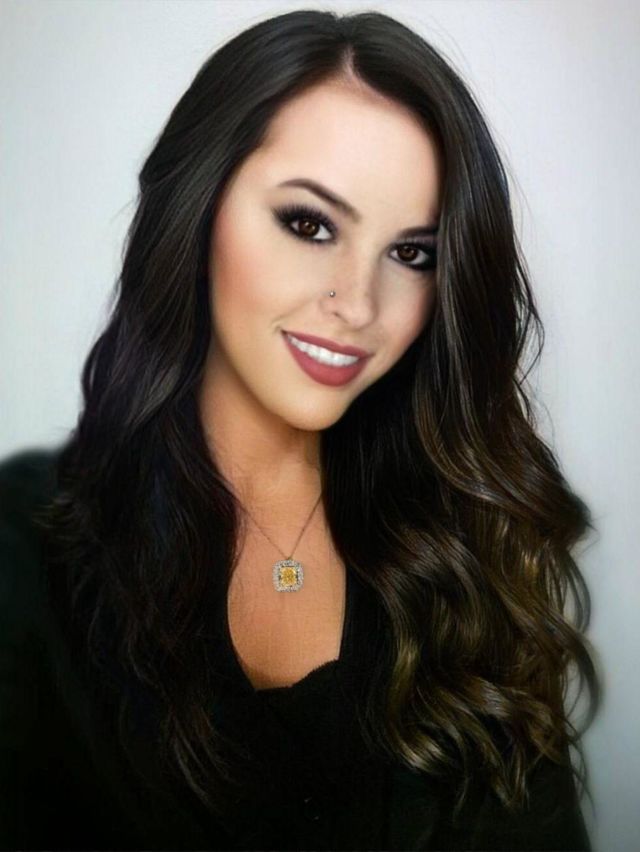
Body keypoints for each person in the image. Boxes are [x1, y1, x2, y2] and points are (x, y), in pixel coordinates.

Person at [0, 8, 600, 851]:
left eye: (412, 254)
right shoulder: (24, 547)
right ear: (199, 205)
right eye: (310, 224)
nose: (358, 304)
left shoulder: (464, 544)